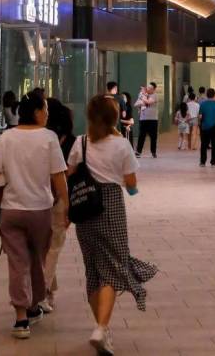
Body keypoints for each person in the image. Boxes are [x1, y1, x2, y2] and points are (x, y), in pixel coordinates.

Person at [68, 94, 157, 355]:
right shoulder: (121, 145)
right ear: (114, 118)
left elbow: (70, 175)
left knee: (93, 269)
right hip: (111, 207)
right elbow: (131, 184)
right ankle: (101, 328)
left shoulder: (81, 142)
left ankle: (102, 329)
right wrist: (131, 188)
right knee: (113, 268)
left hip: (85, 208)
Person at [0, 90, 68, 340]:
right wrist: (66, 205)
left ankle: (22, 317)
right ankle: (34, 304)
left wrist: (10, 184)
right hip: (40, 210)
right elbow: (58, 175)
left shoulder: (7, 137)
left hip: (11, 210)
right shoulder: (49, 137)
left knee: (17, 263)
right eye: (45, 109)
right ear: (36, 112)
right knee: (37, 259)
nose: (47, 114)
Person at [43, 98, 76, 311]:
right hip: (60, 199)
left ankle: (46, 291)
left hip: (37, 197)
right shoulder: (71, 141)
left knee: (46, 248)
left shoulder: (41, 138)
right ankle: (44, 290)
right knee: (53, 247)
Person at [134, 83, 159, 158]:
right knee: (141, 136)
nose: (148, 89)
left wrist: (142, 96)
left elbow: (148, 102)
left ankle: (153, 152)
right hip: (143, 119)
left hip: (153, 119)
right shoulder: (143, 95)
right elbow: (136, 104)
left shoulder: (154, 95)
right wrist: (142, 99)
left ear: (154, 89)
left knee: (153, 136)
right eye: (148, 87)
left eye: (150, 88)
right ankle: (138, 152)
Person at [198, 87, 215, 167]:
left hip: (204, 127)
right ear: (214, 95)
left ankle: (202, 162)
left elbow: (200, 116)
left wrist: (200, 124)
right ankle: (213, 162)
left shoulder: (202, 104)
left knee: (204, 145)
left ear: (207, 95)